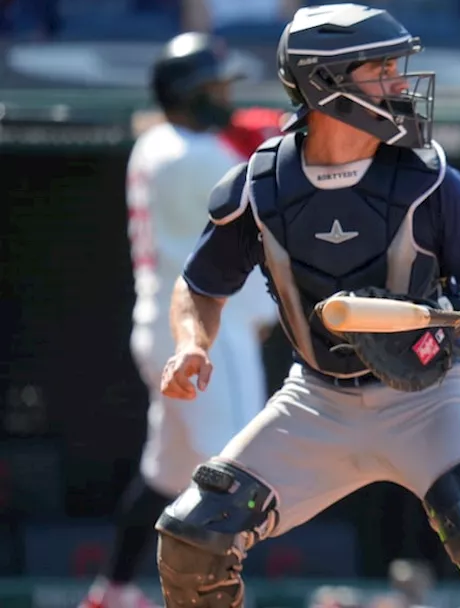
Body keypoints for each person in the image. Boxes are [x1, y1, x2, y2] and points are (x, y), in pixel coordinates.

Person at [152, 3, 460, 607]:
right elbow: (201, 286)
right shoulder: (260, 189)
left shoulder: (431, 178)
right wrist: (191, 345)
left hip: (430, 400)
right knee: (192, 540)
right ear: (326, 84)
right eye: (383, 69)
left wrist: (442, 326)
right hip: (316, 401)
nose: (400, 84)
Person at [80, 31, 278, 608]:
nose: (225, 96)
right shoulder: (192, 157)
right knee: (239, 478)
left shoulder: (159, 144)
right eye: (214, 87)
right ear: (188, 93)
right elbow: (270, 179)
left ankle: (110, 592)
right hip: (202, 338)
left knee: (168, 476)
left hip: (174, 331)